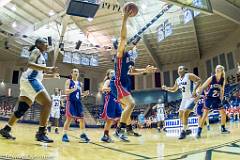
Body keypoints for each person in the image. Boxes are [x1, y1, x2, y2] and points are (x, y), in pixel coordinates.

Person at [110, 9, 156, 142]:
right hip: (117, 83)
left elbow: (131, 71)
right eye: (120, 42)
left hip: (124, 83)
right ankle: (119, 130)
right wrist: (124, 19)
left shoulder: (129, 57)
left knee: (127, 108)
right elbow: (124, 37)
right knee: (131, 104)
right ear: (118, 46)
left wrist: (144, 70)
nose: (122, 42)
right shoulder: (120, 55)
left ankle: (129, 129)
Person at [0, 38, 59, 143]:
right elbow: (29, 63)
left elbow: (40, 75)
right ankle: (41, 133)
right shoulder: (36, 51)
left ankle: (6, 129)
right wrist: (48, 68)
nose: (47, 45)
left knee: (22, 109)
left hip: (30, 80)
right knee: (48, 103)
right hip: (30, 80)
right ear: (39, 44)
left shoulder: (41, 56)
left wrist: (52, 75)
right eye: (45, 43)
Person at [162, 66, 201, 139]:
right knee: (180, 115)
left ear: (184, 70)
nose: (179, 70)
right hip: (184, 99)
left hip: (191, 97)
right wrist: (166, 88)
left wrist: (194, 90)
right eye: (178, 69)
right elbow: (174, 89)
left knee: (185, 113)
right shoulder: (177, 80)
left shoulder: (189, 75)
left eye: (180, 68)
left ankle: (183, 132)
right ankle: (188, 129)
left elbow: (199, 80)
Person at [196, 65, 230, 138]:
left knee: (223, 113)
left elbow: (222, 89)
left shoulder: (223, 79)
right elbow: (203, 86)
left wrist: (221, 97)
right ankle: (199, 132)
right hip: (209, 98)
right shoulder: (212, 78)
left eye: (219, 69)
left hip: (217, 99)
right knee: (204, 115)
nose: (217, 70)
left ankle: (223, 128)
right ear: (215, 70)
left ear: (222, 71)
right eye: (217, 68)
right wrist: (199, 94)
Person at [62, 68, 90, 143]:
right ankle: (64, 135)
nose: (76, 73)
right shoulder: (68, 81)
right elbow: (66, 91)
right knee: (69, 119)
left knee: (82, 119)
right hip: (71, 101)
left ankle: (83, 134)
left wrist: (84, 94)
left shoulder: (80, 83)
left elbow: (80, 94)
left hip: (78, 102)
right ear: (71, 74)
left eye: (77, 72)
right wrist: (73, 89)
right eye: (74, 71)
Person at [100, 69, 122, 143]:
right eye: (111, 73)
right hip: (110, 100)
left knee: (121, 116)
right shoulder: (108, 81)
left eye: (114, 73)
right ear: (108, 75)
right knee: (109, 120)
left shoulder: (116, 82)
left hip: (116, 100)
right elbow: (103, 89)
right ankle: (105, 136)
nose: (113, 74)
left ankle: (117, 132)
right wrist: (110, 88)